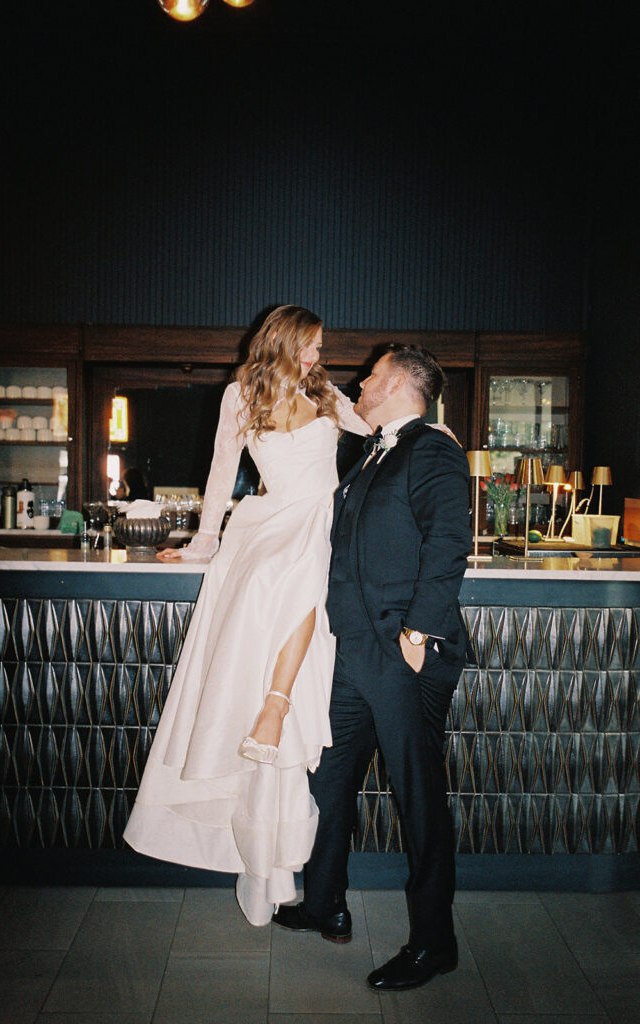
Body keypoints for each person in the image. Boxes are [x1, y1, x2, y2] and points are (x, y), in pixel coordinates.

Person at [123, 305, 370, 926]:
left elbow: (376, 429)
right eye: (311, 346)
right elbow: (219, 473)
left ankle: (275, 705)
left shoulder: (327, 393)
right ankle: (270, 707)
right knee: (283, 579)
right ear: (283, 342)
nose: (319, 357)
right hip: (265, 524)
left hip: (317, 522)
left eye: (319, 348)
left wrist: (431, 431)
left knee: (308, 576)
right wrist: (204, 542)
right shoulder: (240, 393)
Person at [272, 345, 472, 993]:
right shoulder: (369, 452)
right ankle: (324, 899)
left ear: (402, 386)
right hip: (352, 654)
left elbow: (449, 540)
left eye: (374, 375)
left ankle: (433, 944)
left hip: (405, 654)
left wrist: (421, 628)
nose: (362, 380)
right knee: (330, 782)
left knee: (419, 800)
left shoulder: (433, 449)